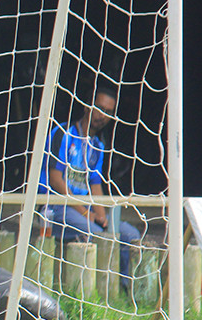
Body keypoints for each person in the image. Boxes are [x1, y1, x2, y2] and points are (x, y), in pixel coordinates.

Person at [39, 84, 141, 285]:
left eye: (109, 113)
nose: (103, 116)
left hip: (84, 210)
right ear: (87, 106)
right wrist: (89, 215)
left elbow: (95, 184)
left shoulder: (98, 146)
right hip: (57, 208)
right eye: (100, 108)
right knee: (95, 234)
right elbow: (55, 179)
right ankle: (95, 289)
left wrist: (101, 215)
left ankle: (124, 289)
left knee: (131, 234)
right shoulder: (63, 133)